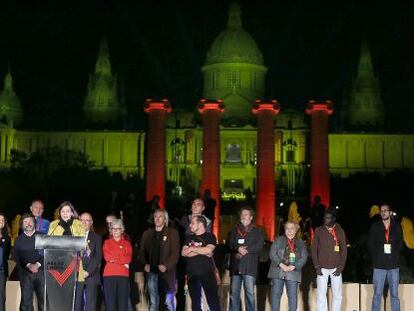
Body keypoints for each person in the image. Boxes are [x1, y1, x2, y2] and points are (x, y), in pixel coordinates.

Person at [48, 202, 86, 308]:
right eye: (63, 211)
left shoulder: (78, 224)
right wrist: (60, 226)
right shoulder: (54, 225)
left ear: (72, 212)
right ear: (59, 213)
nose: (65, 213)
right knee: (60, 300)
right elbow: (49, 242)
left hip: (74, 265)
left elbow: (81, 243)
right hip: (58, 266)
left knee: (75, 300)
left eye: (68, 211)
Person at [140, 209, 180, 311]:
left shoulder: (172, 233)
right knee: (153, 303)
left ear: (165, 219)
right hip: (152, 273)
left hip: (167, 274)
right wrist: (145, 264)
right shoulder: (147, 234)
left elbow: (175, 253)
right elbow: (142, 252)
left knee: (168, 302)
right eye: (155, 217)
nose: (157, 219)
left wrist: (166, 266)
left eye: (160, 216)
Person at [227, 207, 264, 311]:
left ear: (251, 217)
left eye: (246, 214)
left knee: (250, 293)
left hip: (249, 266)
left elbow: (260, 245)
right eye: (242, 214)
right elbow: (229, 243)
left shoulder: (257, 231)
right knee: (234, 293)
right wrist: (237, 248)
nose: (243, 216)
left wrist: (246, 250)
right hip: (236, 267)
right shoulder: (234, 231)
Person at [311, 207, 347, 311]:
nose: (325, 219)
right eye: (324, 217)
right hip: (322, 268)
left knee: (337, 295)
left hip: (336, 268)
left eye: (328, 218)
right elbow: (314, 250)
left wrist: (341, 267)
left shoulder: (340, 231)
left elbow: (344, 250)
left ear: (333, 219)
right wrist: (317, 266)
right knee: (321, 294)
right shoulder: (318, 230)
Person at [181, 215, 220, 311]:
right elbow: (184, 253)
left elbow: (208, 249)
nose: (190, 225)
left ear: (201, 224)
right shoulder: (188, 238)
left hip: (207, 273)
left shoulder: (210, 236)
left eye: (193, 223)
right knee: (195, 304)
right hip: (192, 275)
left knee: (213, 302)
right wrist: (201, 250)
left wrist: (191, 249)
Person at [369, 204, 403, 311]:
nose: (383, 212)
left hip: (393, 265)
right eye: (381, 211)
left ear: (390, 212)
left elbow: (400, 243)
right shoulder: (375, 226)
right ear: (380, 213)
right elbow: (370, 244)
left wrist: (395, 254)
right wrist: (377, 255)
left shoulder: (397, 226)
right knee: (377, 294)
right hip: (379, 265)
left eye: (385, 210)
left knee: (394, 294)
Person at [268, 221, 308, 311]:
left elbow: (304, 257)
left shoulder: (301, 242)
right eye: (287, 228)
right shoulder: (278, 240)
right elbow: (272, 254)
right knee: (275, 297)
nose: (289, 230)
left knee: (292, 298)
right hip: (277, 271)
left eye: (292, 228)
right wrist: (281, 264)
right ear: (285, 230)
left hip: (293, 272)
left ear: (295, 230)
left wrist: (294, 266)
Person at [13, 213, 44, 311]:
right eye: (25, 222)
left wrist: (38, 264)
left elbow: (47, 253)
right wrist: (28, 265)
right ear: (22, 225)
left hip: (42, 273)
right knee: (26, 303)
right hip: (25, 274)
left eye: (30, 221)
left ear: (34, 223)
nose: (28, 224)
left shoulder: (42, 236)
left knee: (44, 301)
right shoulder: (18, 240)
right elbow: (16, 256)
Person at [103, 218, 133, 311]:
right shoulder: (106, 242)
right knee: (110, 304)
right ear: (110, 230)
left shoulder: (127, 244)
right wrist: (121, 260)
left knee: (122, 304)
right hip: (109, 275)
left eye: (117, 228)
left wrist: (114, 258)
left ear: (122, 230)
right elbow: (108, 257)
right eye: (113, 228)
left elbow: (128, 258)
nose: (115, 231)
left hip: (123, 275)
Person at [75, 212, 102, 311]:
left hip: (91, 275)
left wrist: (87, 272)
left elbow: (97, 257)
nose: (85, 222)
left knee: (90, 304)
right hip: (77, 274)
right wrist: (79, 271)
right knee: (77, 303)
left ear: (91, 223)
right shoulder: (74, 237)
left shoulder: (97, 237)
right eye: (82, 220)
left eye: (87, 220)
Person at [0, 213, 11, 311]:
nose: (1, 222)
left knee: (1, 298)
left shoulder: (7, 237)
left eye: (3, 220)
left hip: (1, 271)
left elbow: (7, 255)